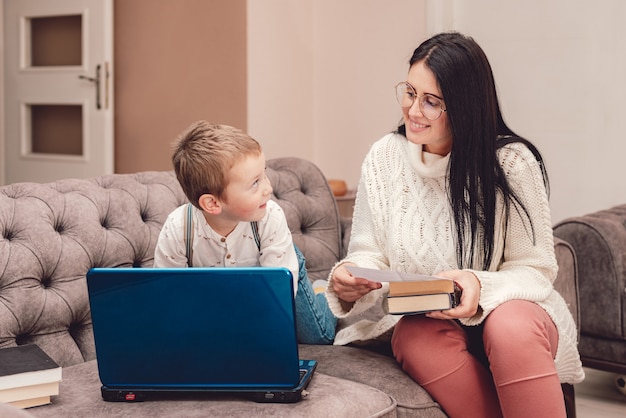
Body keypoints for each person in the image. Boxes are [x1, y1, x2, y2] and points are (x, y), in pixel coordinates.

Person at [326, 32, 584, 418]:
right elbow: (368, 250)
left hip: (511, 312)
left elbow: (536, 270)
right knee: (415, 336)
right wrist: (351, 279)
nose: (413, 110)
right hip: (428, 319)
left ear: (464, 107)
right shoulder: (384, 158)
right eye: (410, 92)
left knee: (508, 326)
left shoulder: (513, 163)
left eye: (431, 102)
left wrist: (480, 286)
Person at [154, 120, 336, 344]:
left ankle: (322, 294)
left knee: (319, 335)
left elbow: (277, 297)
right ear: (212, 203)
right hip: (218, 298)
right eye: (255, 183)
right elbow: (169, 294)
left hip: (276, 280)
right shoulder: (179, 228)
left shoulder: (270, 217)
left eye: (264, 175)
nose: (268, 189)